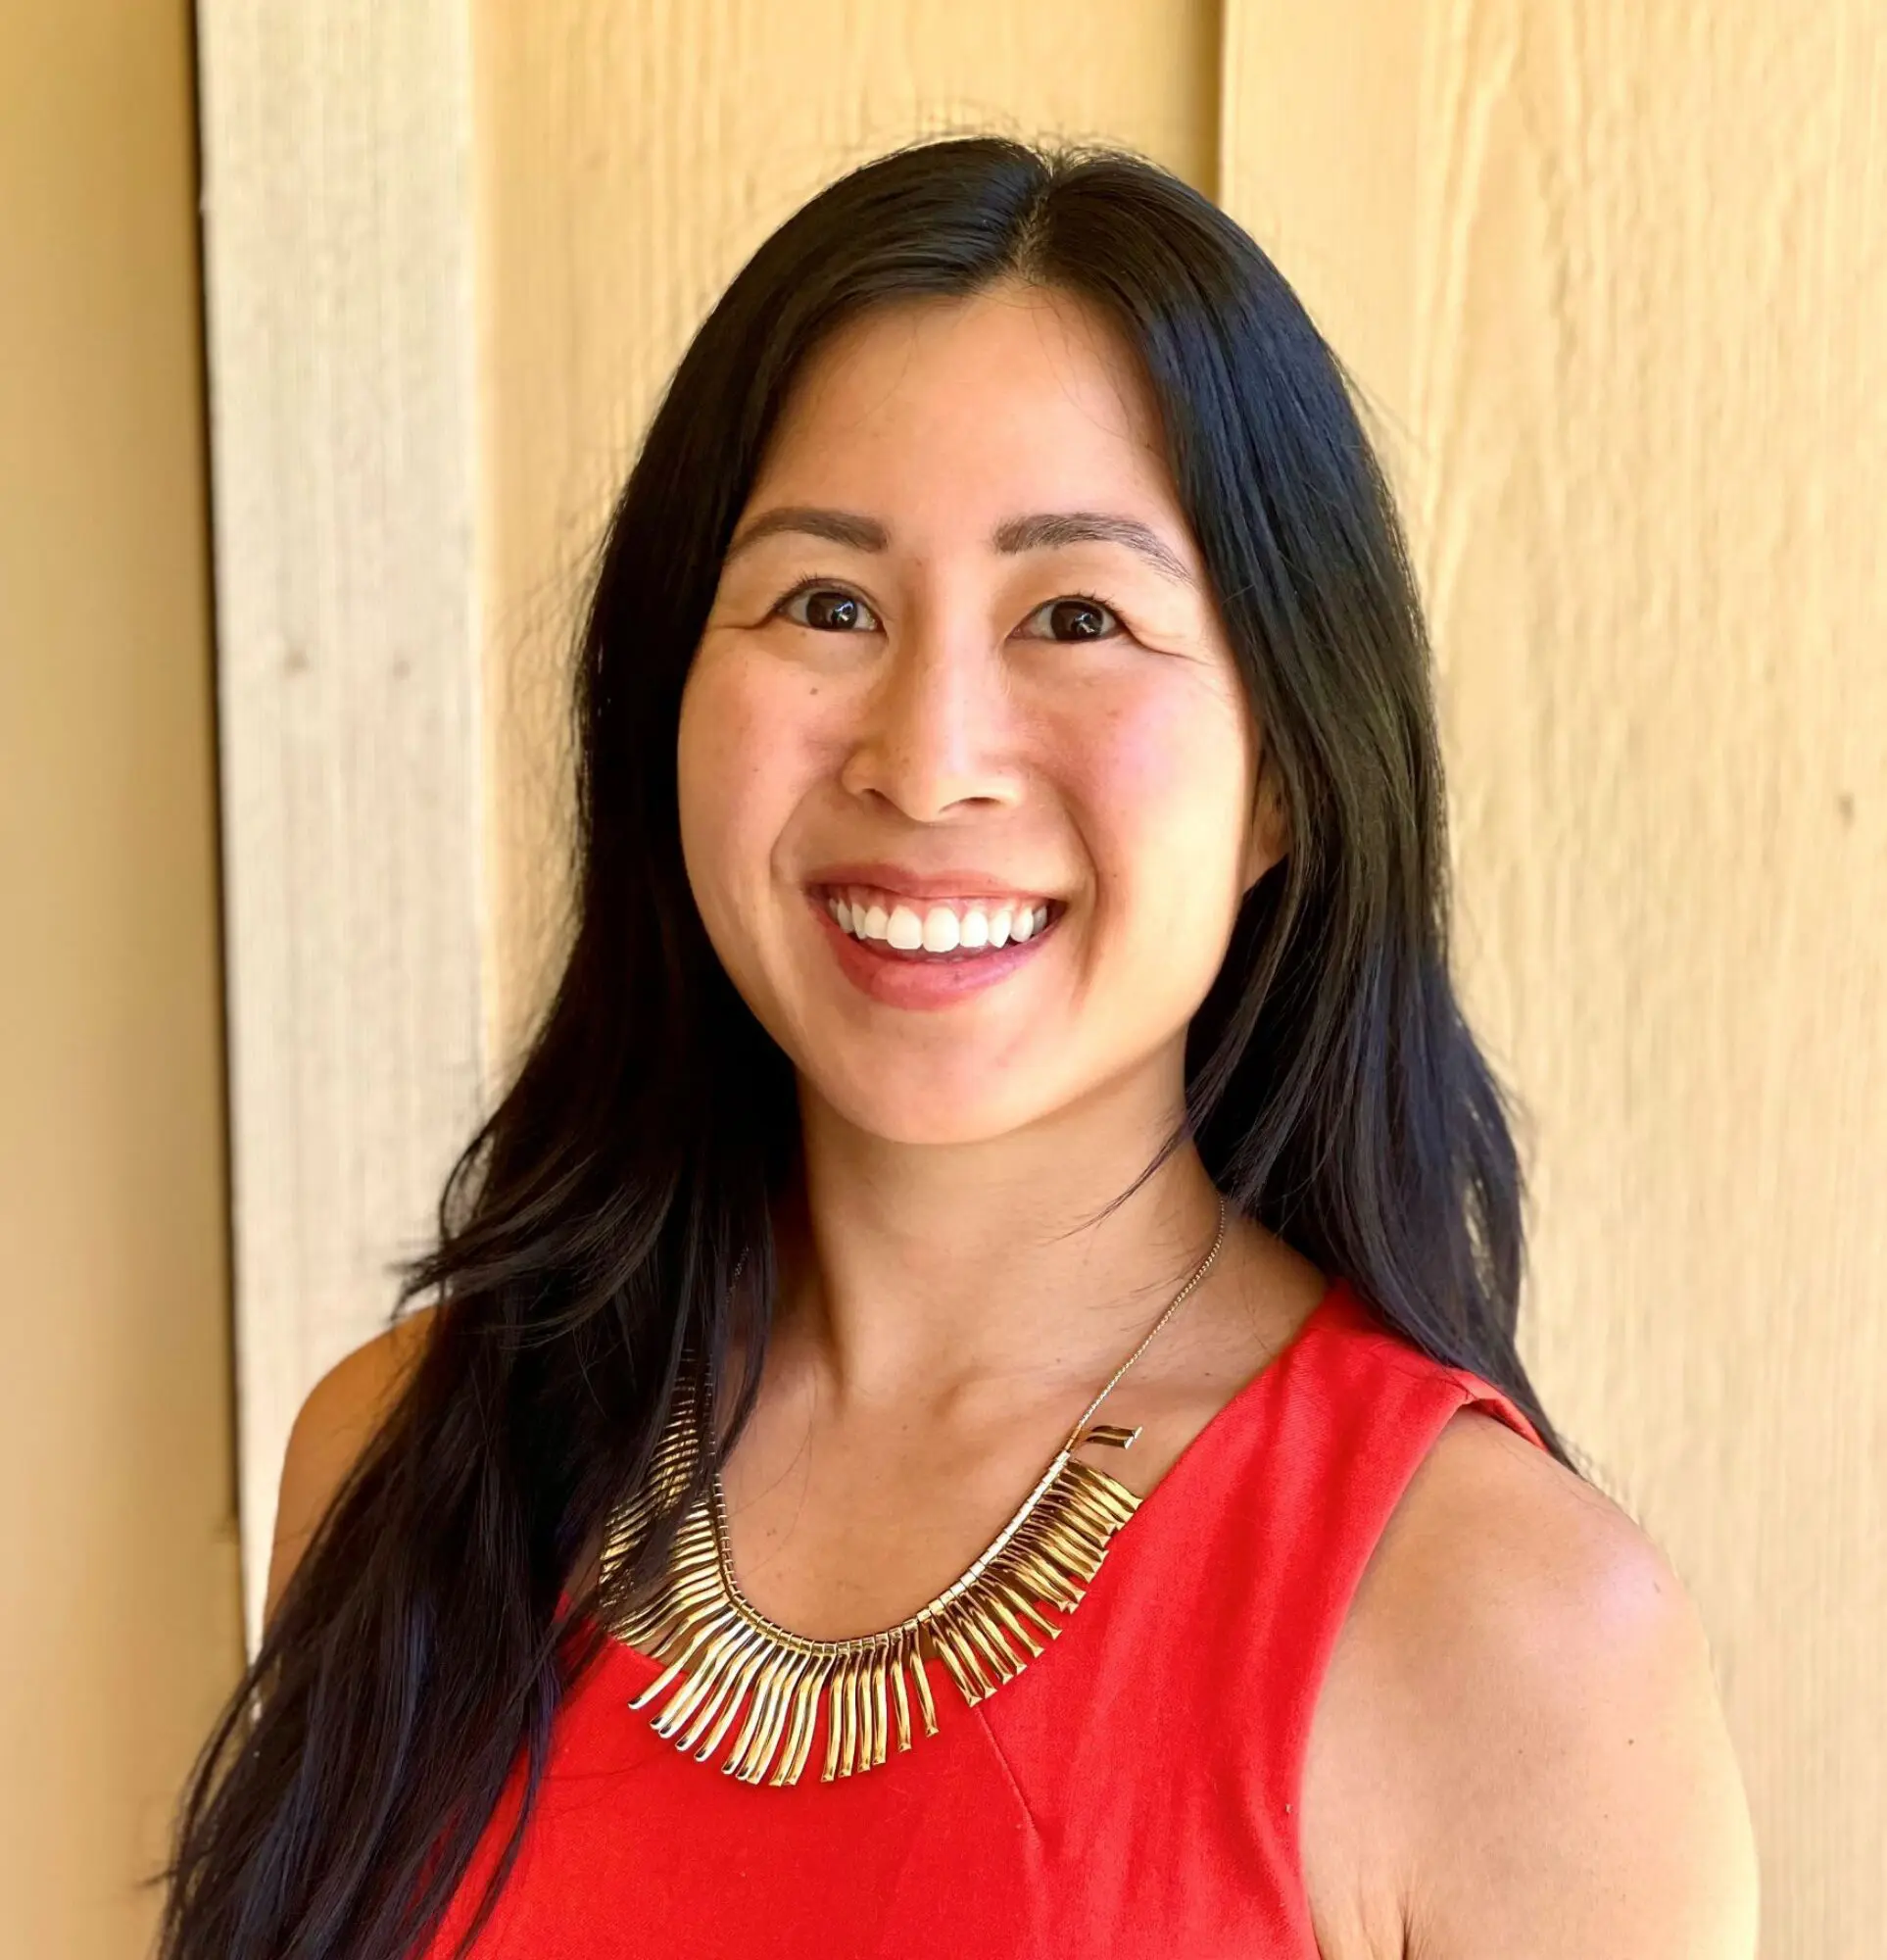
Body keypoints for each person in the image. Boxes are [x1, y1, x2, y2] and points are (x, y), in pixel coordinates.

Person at [161, 136, 1757, 1959]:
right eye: (826, 606)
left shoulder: (1513, 1643)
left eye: (1077, 618)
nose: (925, 765)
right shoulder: (398, 1461)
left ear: (1287, 775)